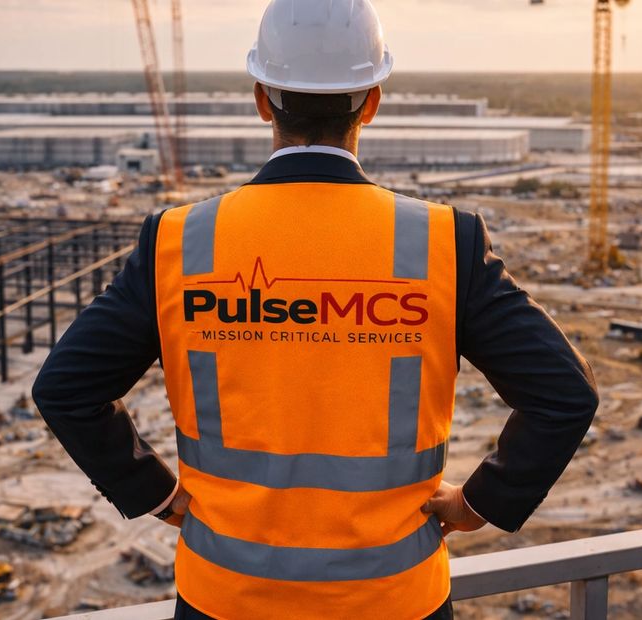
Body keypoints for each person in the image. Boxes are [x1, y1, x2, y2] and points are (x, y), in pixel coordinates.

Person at [32, 0, 598, 617]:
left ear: (261, 99)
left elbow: (66, 389)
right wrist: (481, 502)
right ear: (372, 102)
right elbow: (564, 393)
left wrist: (154, 493)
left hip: (228, 596)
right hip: (392, 600)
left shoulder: (179, 241)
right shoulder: (442, 244)